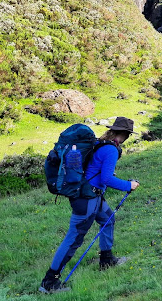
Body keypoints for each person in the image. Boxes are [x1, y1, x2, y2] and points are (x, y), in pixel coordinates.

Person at [39, 117, 140, 294]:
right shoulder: (110, 150)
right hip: (86, 199)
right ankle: (49, 282)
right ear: (124, 134)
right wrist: (128, 185)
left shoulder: (101, 143)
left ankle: (106, 260)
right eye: (128, 134)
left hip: (92, 195)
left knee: (108, 219)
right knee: (74, 239)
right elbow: (106, 179)